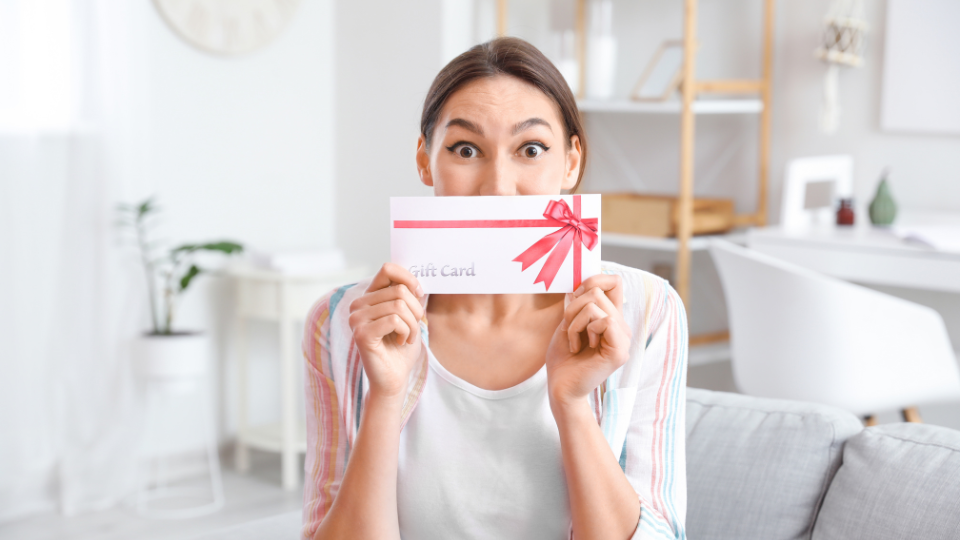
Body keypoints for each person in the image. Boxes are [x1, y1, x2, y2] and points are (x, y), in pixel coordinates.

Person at [301, 37, 686, 540]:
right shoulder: (342, 323)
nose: (498, 186)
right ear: (424, 160)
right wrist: (384, 397)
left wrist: (572, 405)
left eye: (531, 149)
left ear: (571, 162)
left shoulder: (646, 311)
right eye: (466, 149)